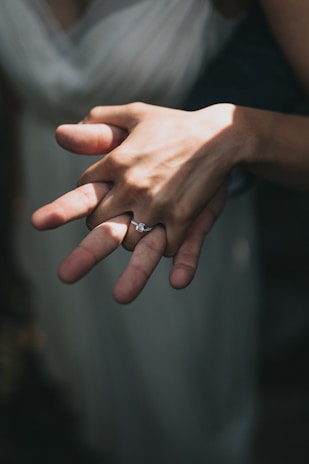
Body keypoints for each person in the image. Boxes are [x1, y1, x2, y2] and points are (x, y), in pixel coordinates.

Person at [1, 1, 304, 463]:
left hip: (176, 214)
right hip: (51, 191)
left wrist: (237, 135)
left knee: (182, 400)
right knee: (86, 379)